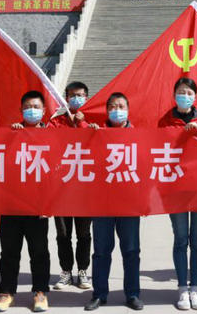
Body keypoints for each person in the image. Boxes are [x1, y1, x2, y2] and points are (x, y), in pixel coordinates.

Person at [0, 91, 52, 313]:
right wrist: (11, 136)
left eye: (36, 107)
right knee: (9, 252)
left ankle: (40, 292)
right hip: (11, 205)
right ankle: (6, 293)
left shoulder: (52, 136)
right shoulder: (12, 133)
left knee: (39, 252)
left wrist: (50, 204)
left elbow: (57, 172)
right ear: (21, 110)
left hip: (38, 207)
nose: (31, 110)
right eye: (27, 107)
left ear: (43, 110)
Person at [158, 78, 197, 310]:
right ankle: (182, 289)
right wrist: (182, 135)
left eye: (189, 93)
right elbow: (159, 149)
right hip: (176, 189)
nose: (185, 96)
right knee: (181, 239)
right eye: (181, 92)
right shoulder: (165, 121)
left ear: (195, 96)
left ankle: (196, 288)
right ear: (174, 95)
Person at [85, 93, 143, 311]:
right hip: (102, 203)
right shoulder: (97, 134)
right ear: (107, 110)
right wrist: (89, 136)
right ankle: (99, 294)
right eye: (112, 106)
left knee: (131, 251)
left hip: (129, 203)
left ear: (128, 109)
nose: (117, 110)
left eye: (121, 106)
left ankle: (132, 294)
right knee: (101, 251)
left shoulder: (139, 136)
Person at [49, 82, 93, 291]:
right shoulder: (56, 122)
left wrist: (81, 124)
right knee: (63, 234)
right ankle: (66, 271)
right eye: (73, 95)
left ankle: (83, 270)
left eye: (81, 95)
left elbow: (95, 145)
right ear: (66, 98)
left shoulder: (92, 122)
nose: (77, 99)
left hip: (84, 189)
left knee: (83, 234)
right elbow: (49, 146)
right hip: (61, 189)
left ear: (87, 98)